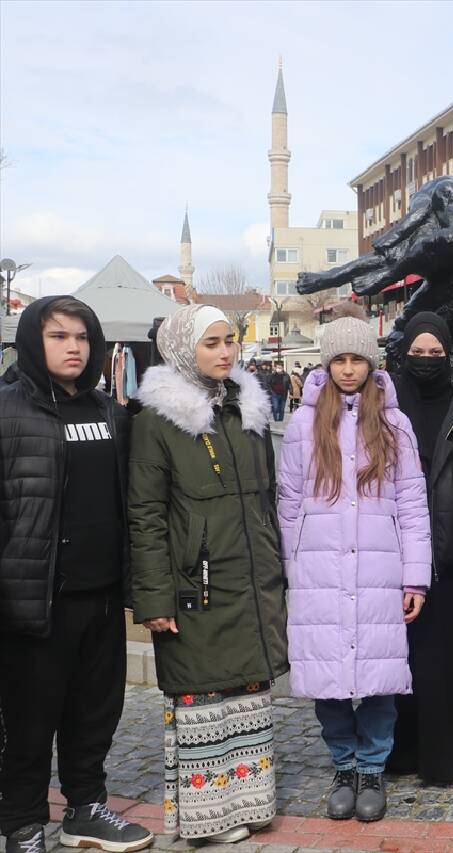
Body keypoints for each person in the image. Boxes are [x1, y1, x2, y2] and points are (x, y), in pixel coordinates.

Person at [129, 304, 288, 844]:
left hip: (250, 574)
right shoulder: (157, 421)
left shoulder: (248, 410)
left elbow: (265, 499)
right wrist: (154, 598)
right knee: (201, 698)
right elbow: (145, 514)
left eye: (230, 341)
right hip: (195, 582)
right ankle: (206, 819)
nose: (225, 352)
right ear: (182, 349)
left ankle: (249, 803)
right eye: (211, 343)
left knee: (247, 694)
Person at [0, 296, 152, 853]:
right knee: (29, 722)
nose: (73, 347)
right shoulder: (7, 412)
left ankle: (85, 809)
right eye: (59, 336)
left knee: (95, 714)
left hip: (104, 597)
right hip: (34, 605)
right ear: (33, 343)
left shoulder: (110, 412)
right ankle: (20, 823)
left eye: (82, 337)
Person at [277, 313, 431, 823]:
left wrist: (415, 577)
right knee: (328, 681)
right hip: (319, 570)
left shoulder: (394, 423)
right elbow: (289, 502)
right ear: (327, 362)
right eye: (338, 359)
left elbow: (412, 503)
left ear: (371, 363)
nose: (347, 369)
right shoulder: (303, 424)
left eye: (356, 359)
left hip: (378, 570)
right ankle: (343, 764)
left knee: (380, 678)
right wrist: (291, 567)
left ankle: (371, 769)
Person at [388, 310, 453, 787]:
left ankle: (442, 758)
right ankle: (397, 752)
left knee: (441, 659)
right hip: (391, 548)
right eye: (418, 352)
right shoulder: (383, 404)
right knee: (396, 656)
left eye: (435, 353)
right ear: (404, 354)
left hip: (447, 546)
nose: (426, 360)